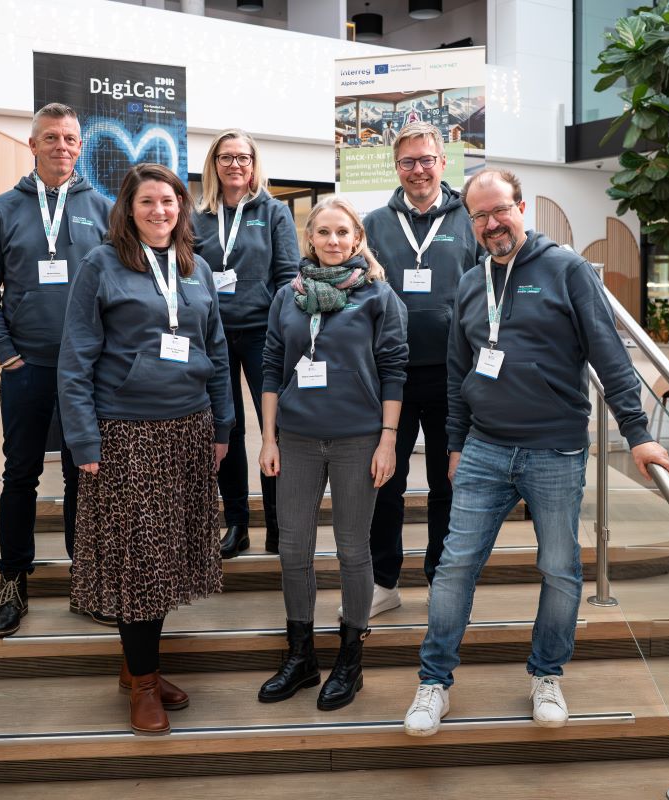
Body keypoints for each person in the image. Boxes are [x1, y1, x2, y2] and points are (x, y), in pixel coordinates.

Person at [402, 168, 669, 736]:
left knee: (559, 568)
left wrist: (638, 432)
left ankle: (547, 675)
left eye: (500, 210)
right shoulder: (471, 283)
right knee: (454, 567)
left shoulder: (566, 269)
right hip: (484, 449)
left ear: (521, 207)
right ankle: (434, 683)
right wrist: (455, 443)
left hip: (554, 449)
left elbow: (609, 354)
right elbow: (457, 372)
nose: (491, 223)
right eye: (479, 215)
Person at [58, 163, 233, 736]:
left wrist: (223, 426)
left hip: (188, 431)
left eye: (169, 201)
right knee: (141, 564)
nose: (160, 211)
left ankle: (137, 668)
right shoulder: (101, 264)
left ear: (182, 208)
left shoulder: (196, 268)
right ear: (128, 210)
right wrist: (83, 438)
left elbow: (216, 351)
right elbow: (76, 358)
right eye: (148, 202)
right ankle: (144, 683)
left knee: (166, 559)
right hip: (127, 433)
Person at [256, 197, 408, 712]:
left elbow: (394, 370)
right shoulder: (288, 295)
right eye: (323, 232)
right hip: (297, 439)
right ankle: (301, 656)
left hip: (357, 440)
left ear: (358, 238)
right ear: (310, 239)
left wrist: (388, 439)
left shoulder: (378, 296)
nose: (334, 241)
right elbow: (272, 365)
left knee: (352, 549)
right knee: (293, 549)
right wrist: (269, 437)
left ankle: (350, 661)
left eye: (343, 232)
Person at [0, 102, 112, 639]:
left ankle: (87, 580)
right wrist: (7, 353)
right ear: (32, 145)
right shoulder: (0, 210)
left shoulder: (102, 209)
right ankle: (13, 582)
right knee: (20, 475)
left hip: (85, 373)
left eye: (70, 138)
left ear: (80, 146)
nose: (61, 147)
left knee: (84, 475)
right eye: (50, 137)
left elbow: (118, 289)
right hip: (26, 366)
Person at [360, 121, 479, 618]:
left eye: (427, 160)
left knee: (447, 484)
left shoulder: (470, 218)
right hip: (392, 375)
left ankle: (441, 580)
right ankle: (383, 580)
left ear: (443, 162)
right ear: (396, 167)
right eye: (408, 162)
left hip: (454, 375)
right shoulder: (374, 223)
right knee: (384, 481)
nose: (418, 170)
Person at [193, 129, 300, 559]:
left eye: (243, 157)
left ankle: (278, 524)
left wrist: (282, 332)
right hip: (213, 336)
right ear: (214, 164)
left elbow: (288, 276)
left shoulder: (274, 212)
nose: (235, 164)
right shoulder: (197, 215)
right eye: (226, 157)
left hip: (263, 336)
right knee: (227, 427)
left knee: (275, 428)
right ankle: (237, 524)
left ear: (254, 165)